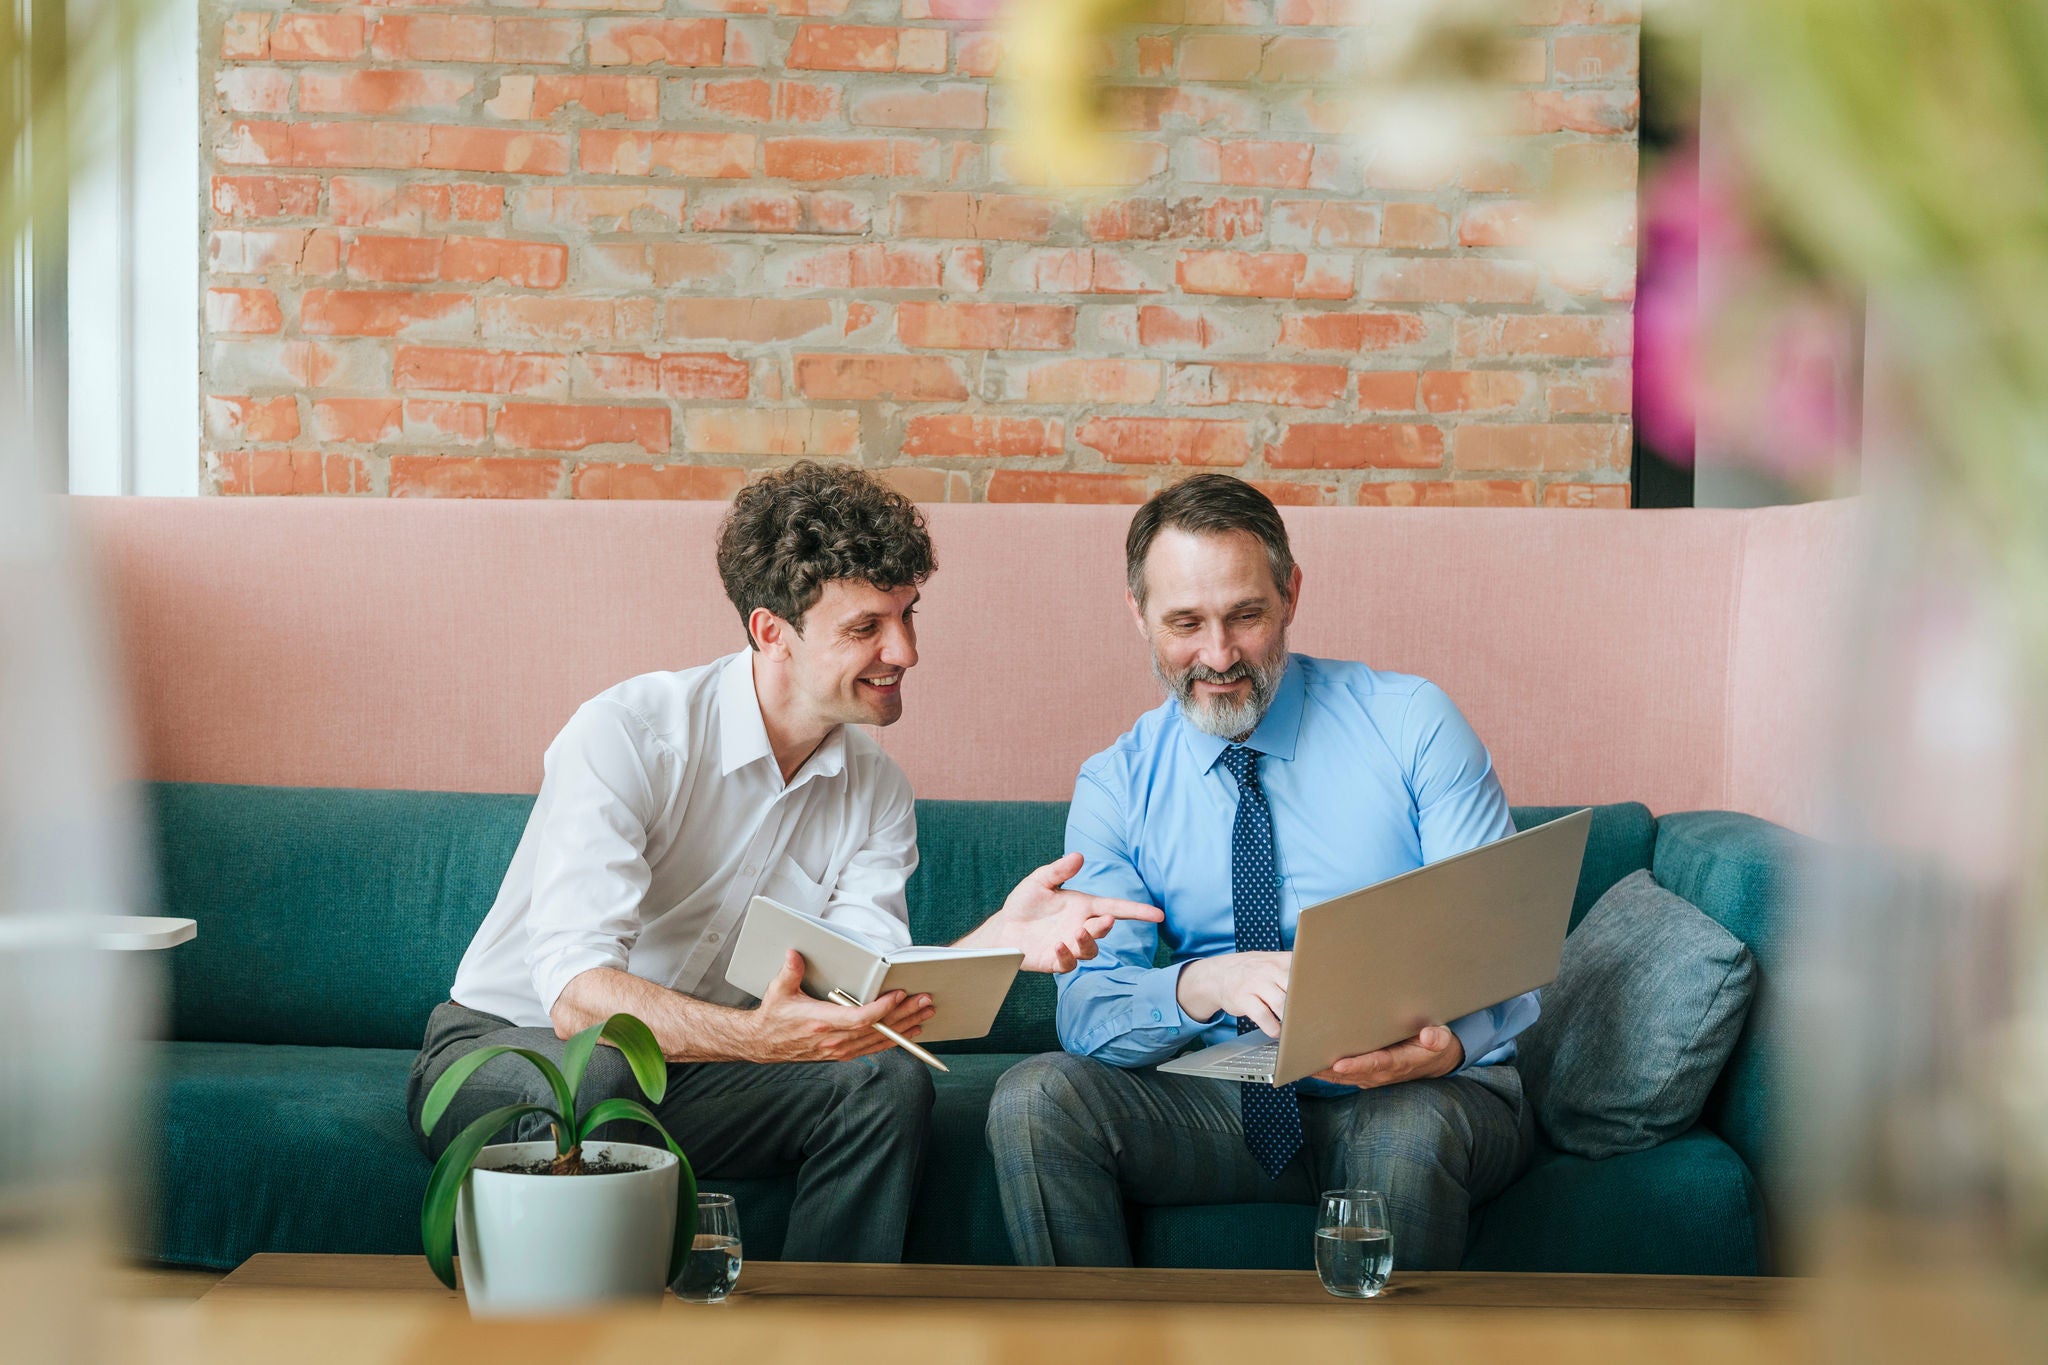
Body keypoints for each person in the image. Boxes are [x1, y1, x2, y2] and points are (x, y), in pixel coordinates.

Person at [407, 461, 1160, 1264]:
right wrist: (760, 1037)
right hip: (510, 1050)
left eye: (908, 614)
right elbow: (578, 1001)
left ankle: (824, 1338)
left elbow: (856, 986)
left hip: (701, 1070)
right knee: (603, 1078)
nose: (904, 649)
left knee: (884, 1082)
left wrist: (993, 942)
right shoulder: (629, 735)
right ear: (772, 631)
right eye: (866, 626)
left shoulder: (876, 791)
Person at [987, 473, 1536, 1270]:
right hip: (1215, 1106)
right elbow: (1090, 1012)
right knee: (1035, 1099)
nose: (1218, 655)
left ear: (1290, 593)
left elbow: (1500, 954)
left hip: (1416, 1091)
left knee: (1407, 1132)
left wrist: (1449, 1047)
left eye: (1245, 614)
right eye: (1185, 622)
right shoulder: (1117, 782)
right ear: (1138, 614)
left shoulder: (1412, 722)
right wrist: (1206, 982)